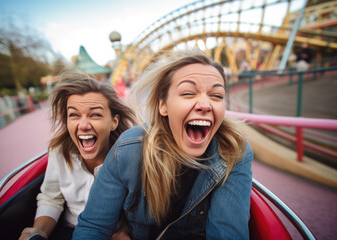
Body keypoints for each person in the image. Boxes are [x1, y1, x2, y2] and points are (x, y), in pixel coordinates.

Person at [73, 50, 253, 239]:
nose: (205, 105)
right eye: (188, 93)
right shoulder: (129, 149)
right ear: (163, 106)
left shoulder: (233, 150)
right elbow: (93, 227)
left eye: (216, 95)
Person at [19, 73, 136, 240]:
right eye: (74, 115)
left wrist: (125, 230)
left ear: (114, 122)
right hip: (68, 229)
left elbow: (138, 204)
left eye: (95, 114)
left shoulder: (130, 154)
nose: (83, 125)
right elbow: (51, 198)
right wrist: (40, 231)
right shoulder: (58, 151)